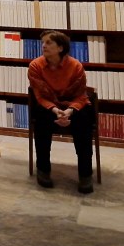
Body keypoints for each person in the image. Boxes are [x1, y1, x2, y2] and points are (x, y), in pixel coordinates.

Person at [27, 30, 94, 193]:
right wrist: (56, 110)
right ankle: (43, 170)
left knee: (84, 121)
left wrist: (69, 111)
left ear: (61, 48)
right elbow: (39, 96)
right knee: (41, 120)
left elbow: (81, 95)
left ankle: (85, 174)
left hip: (72, 105)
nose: (44, 46)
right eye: (43, 42)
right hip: (49, 106)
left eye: (49, 42)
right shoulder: (35, 66)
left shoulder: (76, 66)